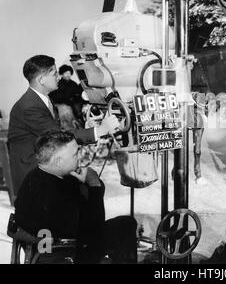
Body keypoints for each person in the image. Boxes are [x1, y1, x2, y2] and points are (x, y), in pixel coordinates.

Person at [14, 130, 137, 263]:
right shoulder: (54, 192)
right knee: (126, 225)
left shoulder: (37, 175)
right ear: (58, 162)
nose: (79, 157)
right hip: (65, 253)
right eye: (75, 154)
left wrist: (90, 184)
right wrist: (94, 185)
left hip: (49, 244)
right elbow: (93, 229)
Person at [8, 55, 119, 194]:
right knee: (91, 188)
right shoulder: (29, 107)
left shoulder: (43, 99)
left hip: (47, 165)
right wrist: (100, 130)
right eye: (54, 74)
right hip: (33, 176)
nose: (58, 77)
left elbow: (56, 131)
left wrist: (90, 127)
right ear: (41, 79)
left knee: (91, 183)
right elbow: (58, 136)